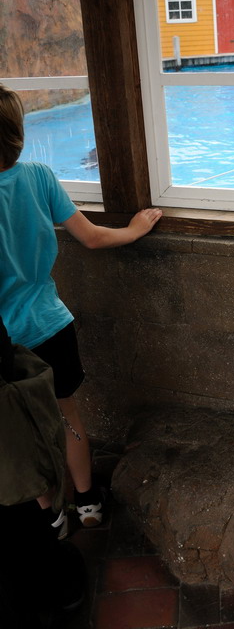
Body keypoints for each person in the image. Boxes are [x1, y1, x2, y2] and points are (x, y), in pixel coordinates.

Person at [0, 82, 162, 532]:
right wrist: (132, 230)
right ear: (16, 133)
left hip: (5, 345)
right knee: (67, 413)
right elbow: (90, 236)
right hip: (50, 327)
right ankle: (88, 502)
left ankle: (50, 513)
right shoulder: (38, 177)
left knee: (21, 432)